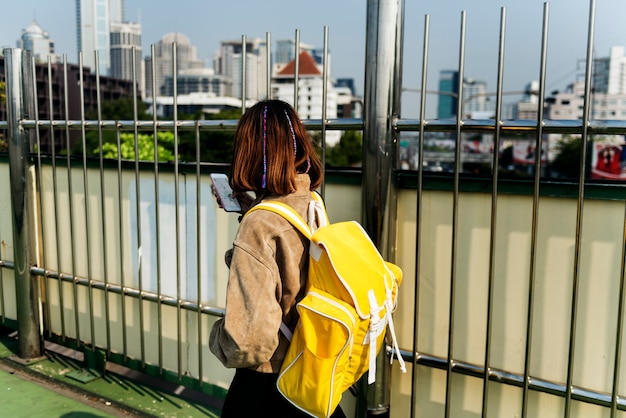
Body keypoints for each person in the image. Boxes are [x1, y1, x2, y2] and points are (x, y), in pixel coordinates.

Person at [209, 99, 346, 418]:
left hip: (267, 388)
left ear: (249, 153)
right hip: (308, 374)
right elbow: (290, 263)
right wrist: (248, 210)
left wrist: (218, 336)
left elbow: (249, 343)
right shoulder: (313, 203)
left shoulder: (259, 225)